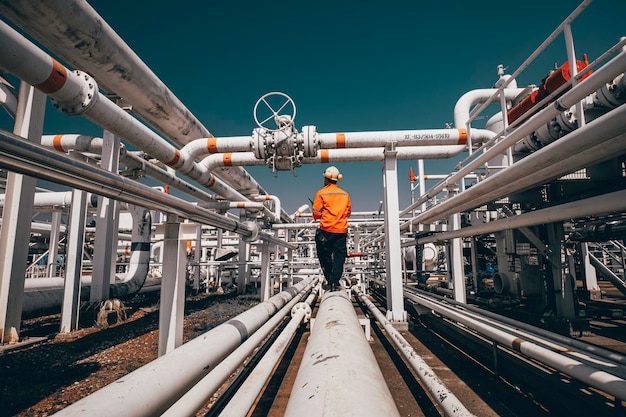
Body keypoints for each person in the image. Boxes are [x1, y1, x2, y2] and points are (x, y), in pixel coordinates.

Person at [312, 166, 352, 291]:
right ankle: (335, 282)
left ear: (326, 178)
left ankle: (330, 280)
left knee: (324, 255)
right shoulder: (345, 194)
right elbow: (348, 212)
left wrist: (323, 212)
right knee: (340, 257)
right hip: (341, 231)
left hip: (326, 230)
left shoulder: (321, 193)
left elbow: (316, 214)